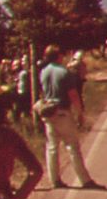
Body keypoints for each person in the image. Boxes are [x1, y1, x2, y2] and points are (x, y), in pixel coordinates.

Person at [36, 45, 100, 189]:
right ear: (58, 56)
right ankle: (85, 180)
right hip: (62, 111)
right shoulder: (65, 72)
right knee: (72, 146)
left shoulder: (43, 72)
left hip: (48, 111)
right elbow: (73, 95)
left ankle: (55, 180)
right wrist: (79, 114)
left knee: (52, 147)